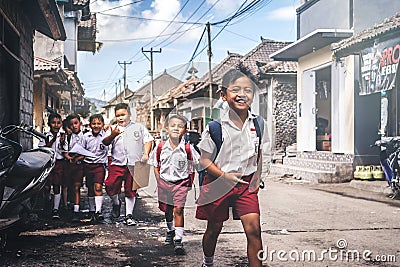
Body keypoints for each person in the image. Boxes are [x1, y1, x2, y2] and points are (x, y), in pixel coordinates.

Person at [196, 69, 267, 267]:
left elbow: (259, 153)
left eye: (248, 90)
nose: (242, 94)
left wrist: (257, 177)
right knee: (214, 228)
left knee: (254, 231)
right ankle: (208, 263)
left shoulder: (259, 124)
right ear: (224, 95)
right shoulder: (215, 127)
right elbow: (204, 161)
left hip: (245, 184)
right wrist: (224, 176)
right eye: (235, 89)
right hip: (219, 182)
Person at [150, 114, 199, 255]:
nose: (176, 128)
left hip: (181, 183)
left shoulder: (188, 148)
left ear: (185, 130)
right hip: (165, 183)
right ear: (166, 128)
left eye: (180, 126)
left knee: (178, 210)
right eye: (173, 125)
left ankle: (178, 239)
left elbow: (195, 164)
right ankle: (170, 230)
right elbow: (155, 164)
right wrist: (159, 179)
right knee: (167, 210)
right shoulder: (160, 147)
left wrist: (190, 180)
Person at [102, 103, 153, 225]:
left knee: (131, 190)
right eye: (118, 115)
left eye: (123, 115)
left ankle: (129, 215)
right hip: (117, 163)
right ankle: (116, 203)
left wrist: (145, 153)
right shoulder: (112, 129)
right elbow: (105, 142)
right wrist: (113, 134)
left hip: (133, 164)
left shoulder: (139, 128)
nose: (120, 118)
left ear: (129, 114)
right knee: (110, 186)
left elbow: (148, 140)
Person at [82, 114, 108, 222]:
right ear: (90, 125)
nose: (96, 126)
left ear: (102, 125)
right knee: (90, 189)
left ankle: (98, 211)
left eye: (98, 123)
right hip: (88, 165)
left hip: (99, 166)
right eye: (94, 123)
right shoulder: (86, 137)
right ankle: (91, 210)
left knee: (98, 187)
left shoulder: (106, 137)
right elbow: (81, 150)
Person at [38, 113, 65, 219]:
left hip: (58, 163)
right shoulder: (45, 136)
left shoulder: (63, 136)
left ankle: (56, 209)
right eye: (53, 122)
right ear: (49, 124)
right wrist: (52, 140)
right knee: (46, 186)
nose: (56, 125)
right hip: (48, 163)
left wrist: (62, 143)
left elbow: (65, 150)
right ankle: (47, 203)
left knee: (57, 185)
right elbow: (42, 149)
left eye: (58, 123)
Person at [63, 114, 85, 222]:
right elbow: (65, 151)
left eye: (76, 123)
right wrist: (69, 157)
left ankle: (76, 210)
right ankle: (67, 206)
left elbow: (86, 152)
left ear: (80, 123)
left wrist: (78, 158)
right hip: (69, 164)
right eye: (71, 125)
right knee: (68, 185)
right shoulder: (68, 137)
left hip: (79, 164)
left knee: (77, 186)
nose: (74, 126)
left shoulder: (85, 136)